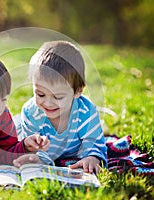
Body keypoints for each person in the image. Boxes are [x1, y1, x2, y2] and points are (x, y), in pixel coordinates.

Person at [15, 41, 107, 174]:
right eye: (40, 94)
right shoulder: (31, 112)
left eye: (57, 97)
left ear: (77, 91)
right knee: (13, 135)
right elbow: (32, 147)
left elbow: (93, 142)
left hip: (73, 148)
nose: (48, 103)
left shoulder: (86, 113)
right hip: (28, 133)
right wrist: (36, 158)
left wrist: (91, 157)